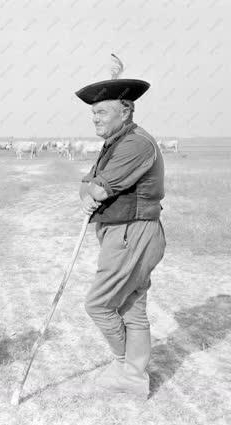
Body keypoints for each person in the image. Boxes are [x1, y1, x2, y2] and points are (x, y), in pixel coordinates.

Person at [75, 56, 166, 398]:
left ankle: (124, 367)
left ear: (125, 110)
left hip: (133, 232)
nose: (94, 119)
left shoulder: (135, 143)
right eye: (93, 113)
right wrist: (90, 191)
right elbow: (86, 185)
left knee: (98, 304)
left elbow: (98, 189)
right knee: (131, 306)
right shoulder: (114, 142)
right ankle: (134, 374)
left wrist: (92, 192)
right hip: (128, 232)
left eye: (101, 112)